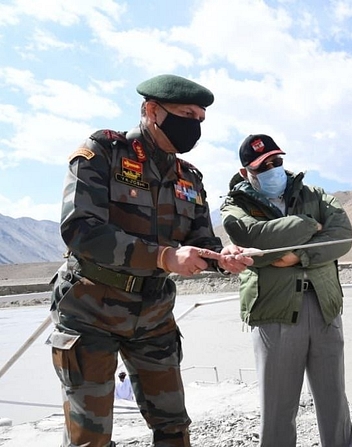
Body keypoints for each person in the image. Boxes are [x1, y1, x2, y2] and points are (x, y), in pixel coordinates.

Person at [47, 74, 254, 447]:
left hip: (154, 312)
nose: (194, 125)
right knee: (89, 437)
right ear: (151, 110)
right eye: (185, 114)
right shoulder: (102, 154)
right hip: (90, 310)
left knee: (174, 426)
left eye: (200, 119)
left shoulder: (188, 177)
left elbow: (199, 241)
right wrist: (163, 256)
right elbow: (80, 229)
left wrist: (222, 257)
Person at [220, 134, 352, 447]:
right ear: (245, 172)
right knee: (278, 406)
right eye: (262, 166)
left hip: (325, 306)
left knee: (334, 400)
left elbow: (343, 236)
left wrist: (298, 255)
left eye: (275, 161)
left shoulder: (314, 193)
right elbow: (254, 235)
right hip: (275, 312)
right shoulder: (235, 206)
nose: (272, 169)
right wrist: (309, 224)